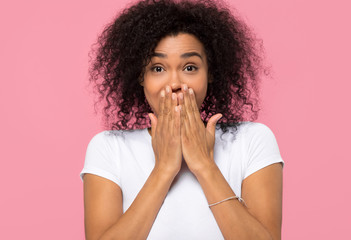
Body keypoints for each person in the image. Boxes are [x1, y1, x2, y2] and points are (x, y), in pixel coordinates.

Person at [80, 0, 284, 239]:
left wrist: (204, 165)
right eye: (158, 68)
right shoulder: (108, 148)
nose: (175, 83)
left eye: (189, 67)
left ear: (210, 74)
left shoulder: (253, 140)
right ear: (140, 78)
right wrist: (164, 169)